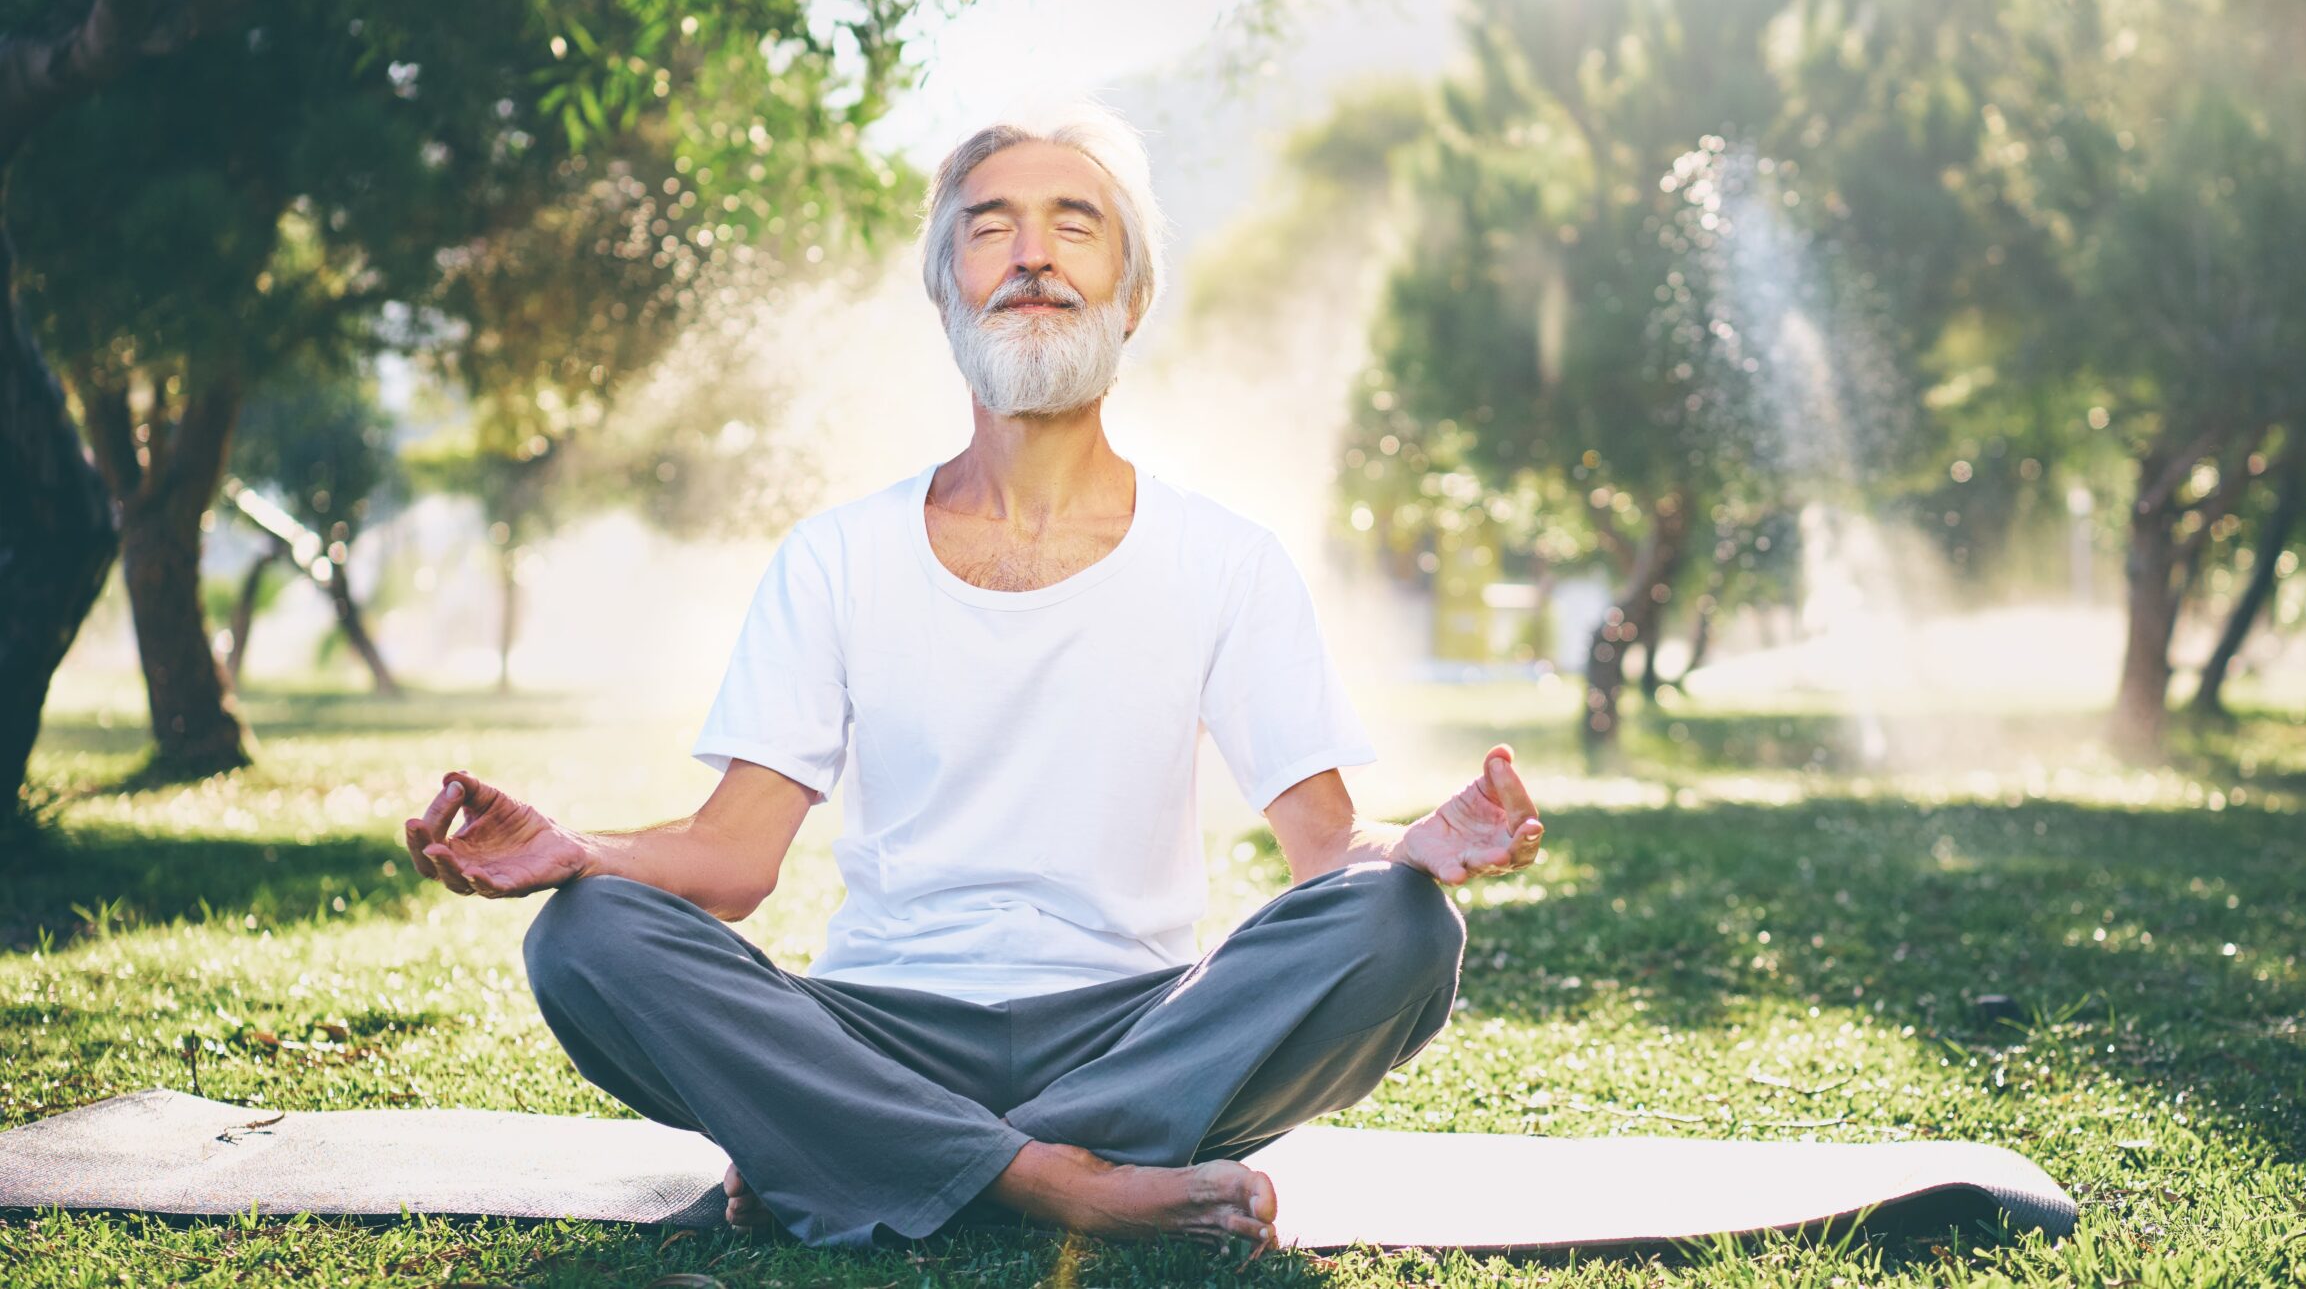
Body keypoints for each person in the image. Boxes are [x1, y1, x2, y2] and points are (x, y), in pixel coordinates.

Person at [399, 101, 1546, 1259]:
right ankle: (1064, 1180)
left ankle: (857, 1153)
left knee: (1402, 926)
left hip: (1137, 1031)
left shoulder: (1225, 558)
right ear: (947, 292)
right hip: (876, 1028)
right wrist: (577, 852)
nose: (1032, 254)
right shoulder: (835, 556)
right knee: (585, 935)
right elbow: (734, 859)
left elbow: (1325, 856)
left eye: (1073, 226)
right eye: (991, 229)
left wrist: (1412, 850)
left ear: (1133, 296)